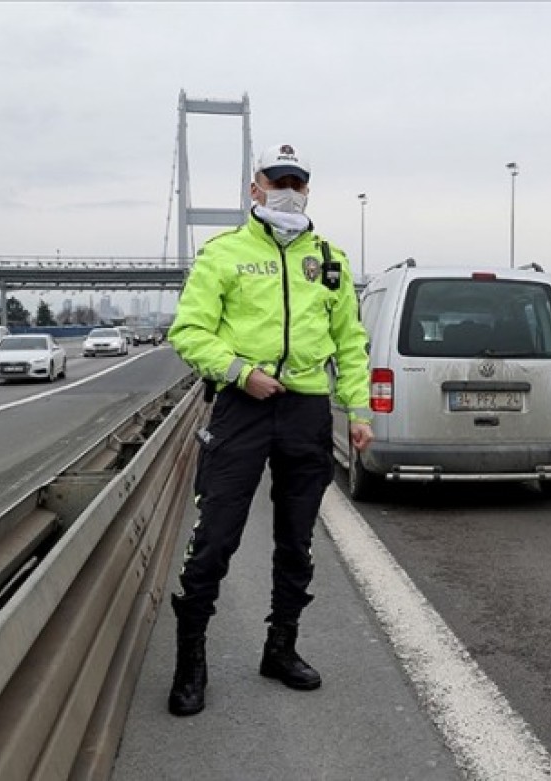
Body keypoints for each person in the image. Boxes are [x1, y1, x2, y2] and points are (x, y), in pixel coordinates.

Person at [164, 143, 374, 716]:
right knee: (216, 536)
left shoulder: (329, 259)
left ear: (308, 191)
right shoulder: (223, 254)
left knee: (296, 539)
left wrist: (358, 412)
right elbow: (189, 331)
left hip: (306, 411)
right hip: (242, 407)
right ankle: (190, 660)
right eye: (277, 181)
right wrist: (240, 372)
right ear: (254, 189)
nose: (287, 191)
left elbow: (350, 341)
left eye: (297, 183)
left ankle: (280, 648)